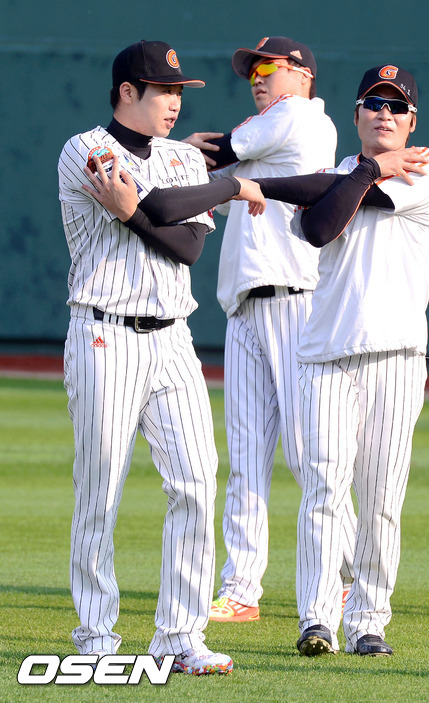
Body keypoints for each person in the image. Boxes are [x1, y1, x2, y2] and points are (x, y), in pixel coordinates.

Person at [57, 39, 266, 676]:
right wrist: (226, 187)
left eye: (179, 91)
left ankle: (179, 637)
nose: (174, 102)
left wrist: (139, 211)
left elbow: (187, 247)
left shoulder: (182, 157)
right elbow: (164, 211)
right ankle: (96, 634)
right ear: (128, 92)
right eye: (163, 91)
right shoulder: (84, 148)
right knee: (100, 488)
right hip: (105, 334)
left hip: (174, 337)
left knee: (197, 481)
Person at [252, 64, 429, 656]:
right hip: (325, 356)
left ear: (412, 121)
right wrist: (364, 170)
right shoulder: (341, 173)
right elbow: (319, 228)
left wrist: (357, 177)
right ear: (356, 114)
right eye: (374, 102)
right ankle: (317, 619)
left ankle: (368, 621)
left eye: (396, 105)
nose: (385, 113)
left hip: (396, 355)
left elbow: (354, 200)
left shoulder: (427, 168)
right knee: (323, 490)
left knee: (381, 497)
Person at [184, 36, 357, 623]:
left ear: (302, 74)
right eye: (250, 71)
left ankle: (345, 577)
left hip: (295, 302)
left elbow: (218, 155)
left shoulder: (299, 116)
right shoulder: (268, 139)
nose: (256, 77)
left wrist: (178, 150)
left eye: (266, 67)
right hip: (245, 307)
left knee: (312, 453)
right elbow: (218, 182)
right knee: (247, 455)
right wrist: (199, 163)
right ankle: (241, 588)